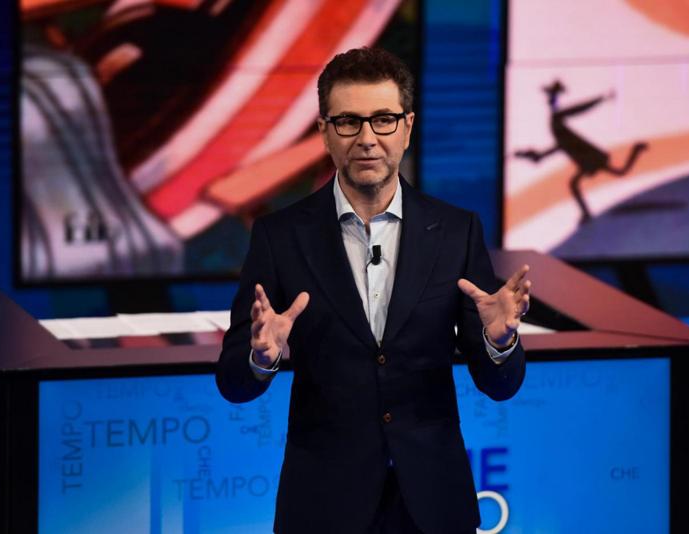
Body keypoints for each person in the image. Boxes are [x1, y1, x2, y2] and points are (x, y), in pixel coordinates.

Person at [217, 47, 531, 534]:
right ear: (324, 132)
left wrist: (499, 342)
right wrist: (261, 357)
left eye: (383, 120)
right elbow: (233, 384)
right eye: (348, 122)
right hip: (323, 506)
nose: (367, 138)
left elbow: (501, 385)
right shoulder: (280, 237)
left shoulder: (456, 231)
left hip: (433, 503)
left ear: (407, 127)